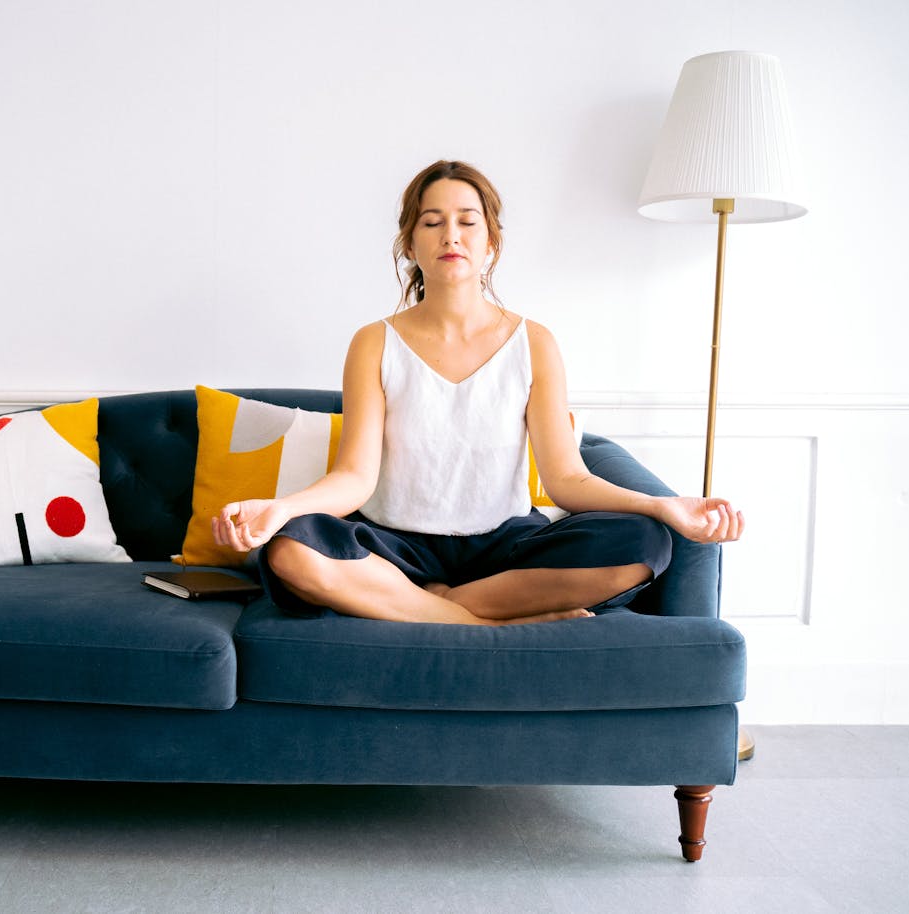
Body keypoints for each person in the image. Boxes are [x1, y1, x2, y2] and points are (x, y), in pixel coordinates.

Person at [212, 160, 743, 626]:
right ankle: (481, 624)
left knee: (644, 543)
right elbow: (355, 477)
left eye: (468, 222)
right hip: (397, 546)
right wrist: (280, 510)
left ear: (491, 243)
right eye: (432, 222)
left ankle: (424, 605)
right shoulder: (373, 342)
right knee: (289, 553)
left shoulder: (534, 342)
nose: (452, 237)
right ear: (409, 243)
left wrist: (664, 505)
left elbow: (567, 479)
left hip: (504, 545)